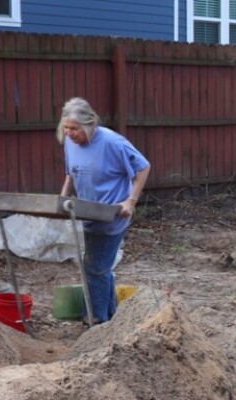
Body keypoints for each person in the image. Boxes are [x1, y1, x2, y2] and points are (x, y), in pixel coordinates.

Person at [58, 97, 150, 324]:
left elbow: (143, 167)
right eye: (66, 128)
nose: (69, 133)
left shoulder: (112, 142)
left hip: (112, 214)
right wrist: (62, 198)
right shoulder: (71, 142)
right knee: (101, 267)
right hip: (88, 212)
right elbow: (71, 172)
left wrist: (131, 201)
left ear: (89, 124)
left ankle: (96, 320)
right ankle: (110, 317)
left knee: (94, 268)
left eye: (74, 129)